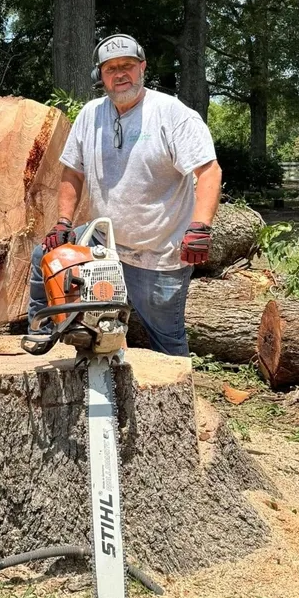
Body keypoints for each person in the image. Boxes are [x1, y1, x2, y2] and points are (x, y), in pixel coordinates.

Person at [29, 33, 221, 356]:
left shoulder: (171, 114)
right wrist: (63, 222)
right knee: (44, 258)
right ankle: (41, 331)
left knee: (167, 344)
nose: (120, 74)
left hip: (159, 256)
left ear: (142, 67)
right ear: (100, 76)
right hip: (105, 246)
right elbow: (72, 171)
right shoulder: (90, 116)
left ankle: (176, 402)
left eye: (128, 66)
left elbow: (209, 170)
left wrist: (200, 226)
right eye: (111, 68)